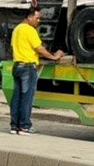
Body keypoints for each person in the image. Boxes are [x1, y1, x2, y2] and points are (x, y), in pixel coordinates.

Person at [9, 7, 65, 135]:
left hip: (17, 66)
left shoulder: (17, 29)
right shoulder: (30, 30)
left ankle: (14, 126)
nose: (38, 21)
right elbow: (39, 49)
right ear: (29, 17)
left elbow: (17, 47)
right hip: (28, 68)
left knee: (17, 98)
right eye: (37, 18)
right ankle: (24, 126)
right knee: (27, 98)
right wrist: (54, 56)